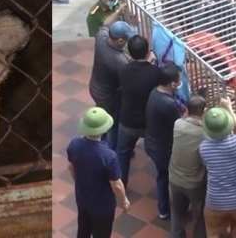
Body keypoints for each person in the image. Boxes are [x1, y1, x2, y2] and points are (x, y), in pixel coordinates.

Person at [67, 107, 130, 238]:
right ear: (104, 129)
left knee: (83, 230)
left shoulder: (74, 144)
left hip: (82, 198)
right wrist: (124, 201)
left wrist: (80, 182)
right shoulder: (108, 156)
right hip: (103, 206)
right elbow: (117, 185)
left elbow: (70, 167)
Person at [200, 98, 236, 238]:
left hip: (215, 201)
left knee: (212, 232)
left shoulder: (204, 147)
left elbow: (205, 164)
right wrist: (229, 109)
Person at [88, 9, 137, 153]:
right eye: (127, 39)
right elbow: (131, 69)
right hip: (108, 96)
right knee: (112, 123)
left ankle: (100, 140)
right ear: (120, 40)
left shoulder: (102, 37)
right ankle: (110, 150)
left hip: (96, 87)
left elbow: (106, 23)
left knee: (102, 115)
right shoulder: (117, 60)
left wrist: (119, 10)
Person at [116, 35, 160, 188]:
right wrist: (151, 64)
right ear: (148, 51)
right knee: (157, 153)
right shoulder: (156, 73)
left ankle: (122, 184)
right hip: (149, 122)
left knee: (122, 152)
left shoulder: (123, 71)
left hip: (127, 120)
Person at [145, 61, 182, 220]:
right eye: (179, 81)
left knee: (161, 175)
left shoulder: (154, 92)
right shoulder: (168, 104)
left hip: (152, 143)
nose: (180, 83)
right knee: (167, 178)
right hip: (163, 149)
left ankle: (164, 208)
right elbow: (178, 125)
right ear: (172, 83)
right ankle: (167, 208)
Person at [169, 94, 207, 238]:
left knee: (176, 214)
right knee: (200, 215)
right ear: (203, 111)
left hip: (174, 179)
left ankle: (176, 235)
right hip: (194, 183)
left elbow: (184, 117)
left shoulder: (177, 124)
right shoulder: (205, 133)